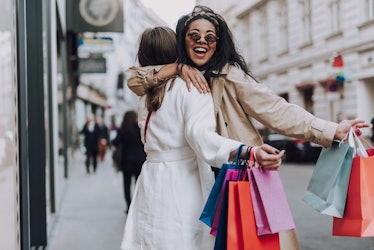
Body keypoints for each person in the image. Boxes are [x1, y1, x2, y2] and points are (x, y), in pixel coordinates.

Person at [126, 5, 369, 250]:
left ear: (218, 43)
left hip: (238, 173)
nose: (202, 42)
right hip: (200, 178)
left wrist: (330, 129)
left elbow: (277, 110)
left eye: (210, 37)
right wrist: (177, 67)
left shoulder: (229, 76)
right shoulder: (171, 79)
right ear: (182, 40)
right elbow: (135, 79)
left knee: (256, 243)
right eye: (194, 36)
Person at [121, 26, 284, 250]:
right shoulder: (190, 87)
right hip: (182, 182)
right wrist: (248, 150)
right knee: (183, 240)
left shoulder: (144, 98)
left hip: (150, 179)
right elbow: (201, 137)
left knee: (150, 240)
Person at [112, 110, 146, 213]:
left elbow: (115, 142)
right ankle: (137, 205)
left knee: (126, 185)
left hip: (127, 162)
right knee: (138, 184)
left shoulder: (123, 129)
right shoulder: (140, 128)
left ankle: (129, 206)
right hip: (140, 161)